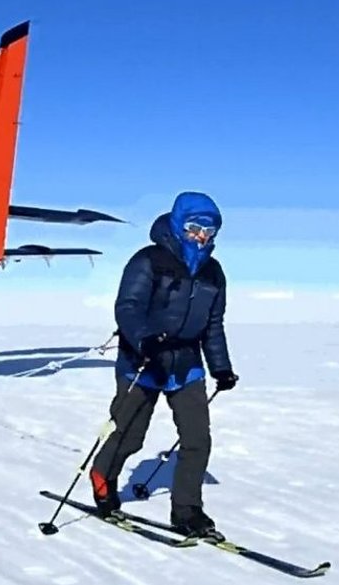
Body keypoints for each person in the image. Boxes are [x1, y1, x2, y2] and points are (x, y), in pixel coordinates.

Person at [88, 190, 238, 539]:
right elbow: (128, 307)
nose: (201, 235)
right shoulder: (148, 260)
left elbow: (213, 325)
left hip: (186, 365)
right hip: (142, 360)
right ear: (177, 224)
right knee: (129, 435)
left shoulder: (213, 274)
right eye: (194, 227)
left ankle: (187, 511)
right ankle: (102, 475)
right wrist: (144, 339)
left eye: (210, 230)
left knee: (197, 439)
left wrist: (221, 368)